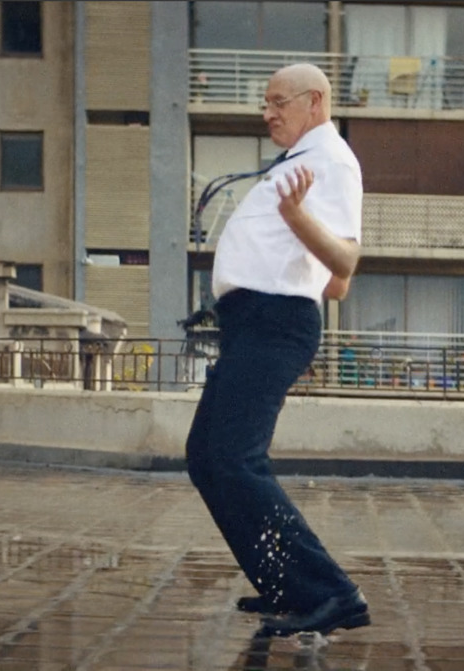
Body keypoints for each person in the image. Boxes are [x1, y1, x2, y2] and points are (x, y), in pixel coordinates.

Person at [184, 63, 368, 638]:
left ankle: (333, 594)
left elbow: (344, 263)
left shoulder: (331, 160)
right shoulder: (301, 163)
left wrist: (294, 217)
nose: (267, 113)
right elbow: (333, 285)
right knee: (207, 455)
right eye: (265, 103)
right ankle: (284, 588)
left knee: (235, 458)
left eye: (277, 101)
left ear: (314, 101)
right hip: (254, 321)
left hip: (273, 322)